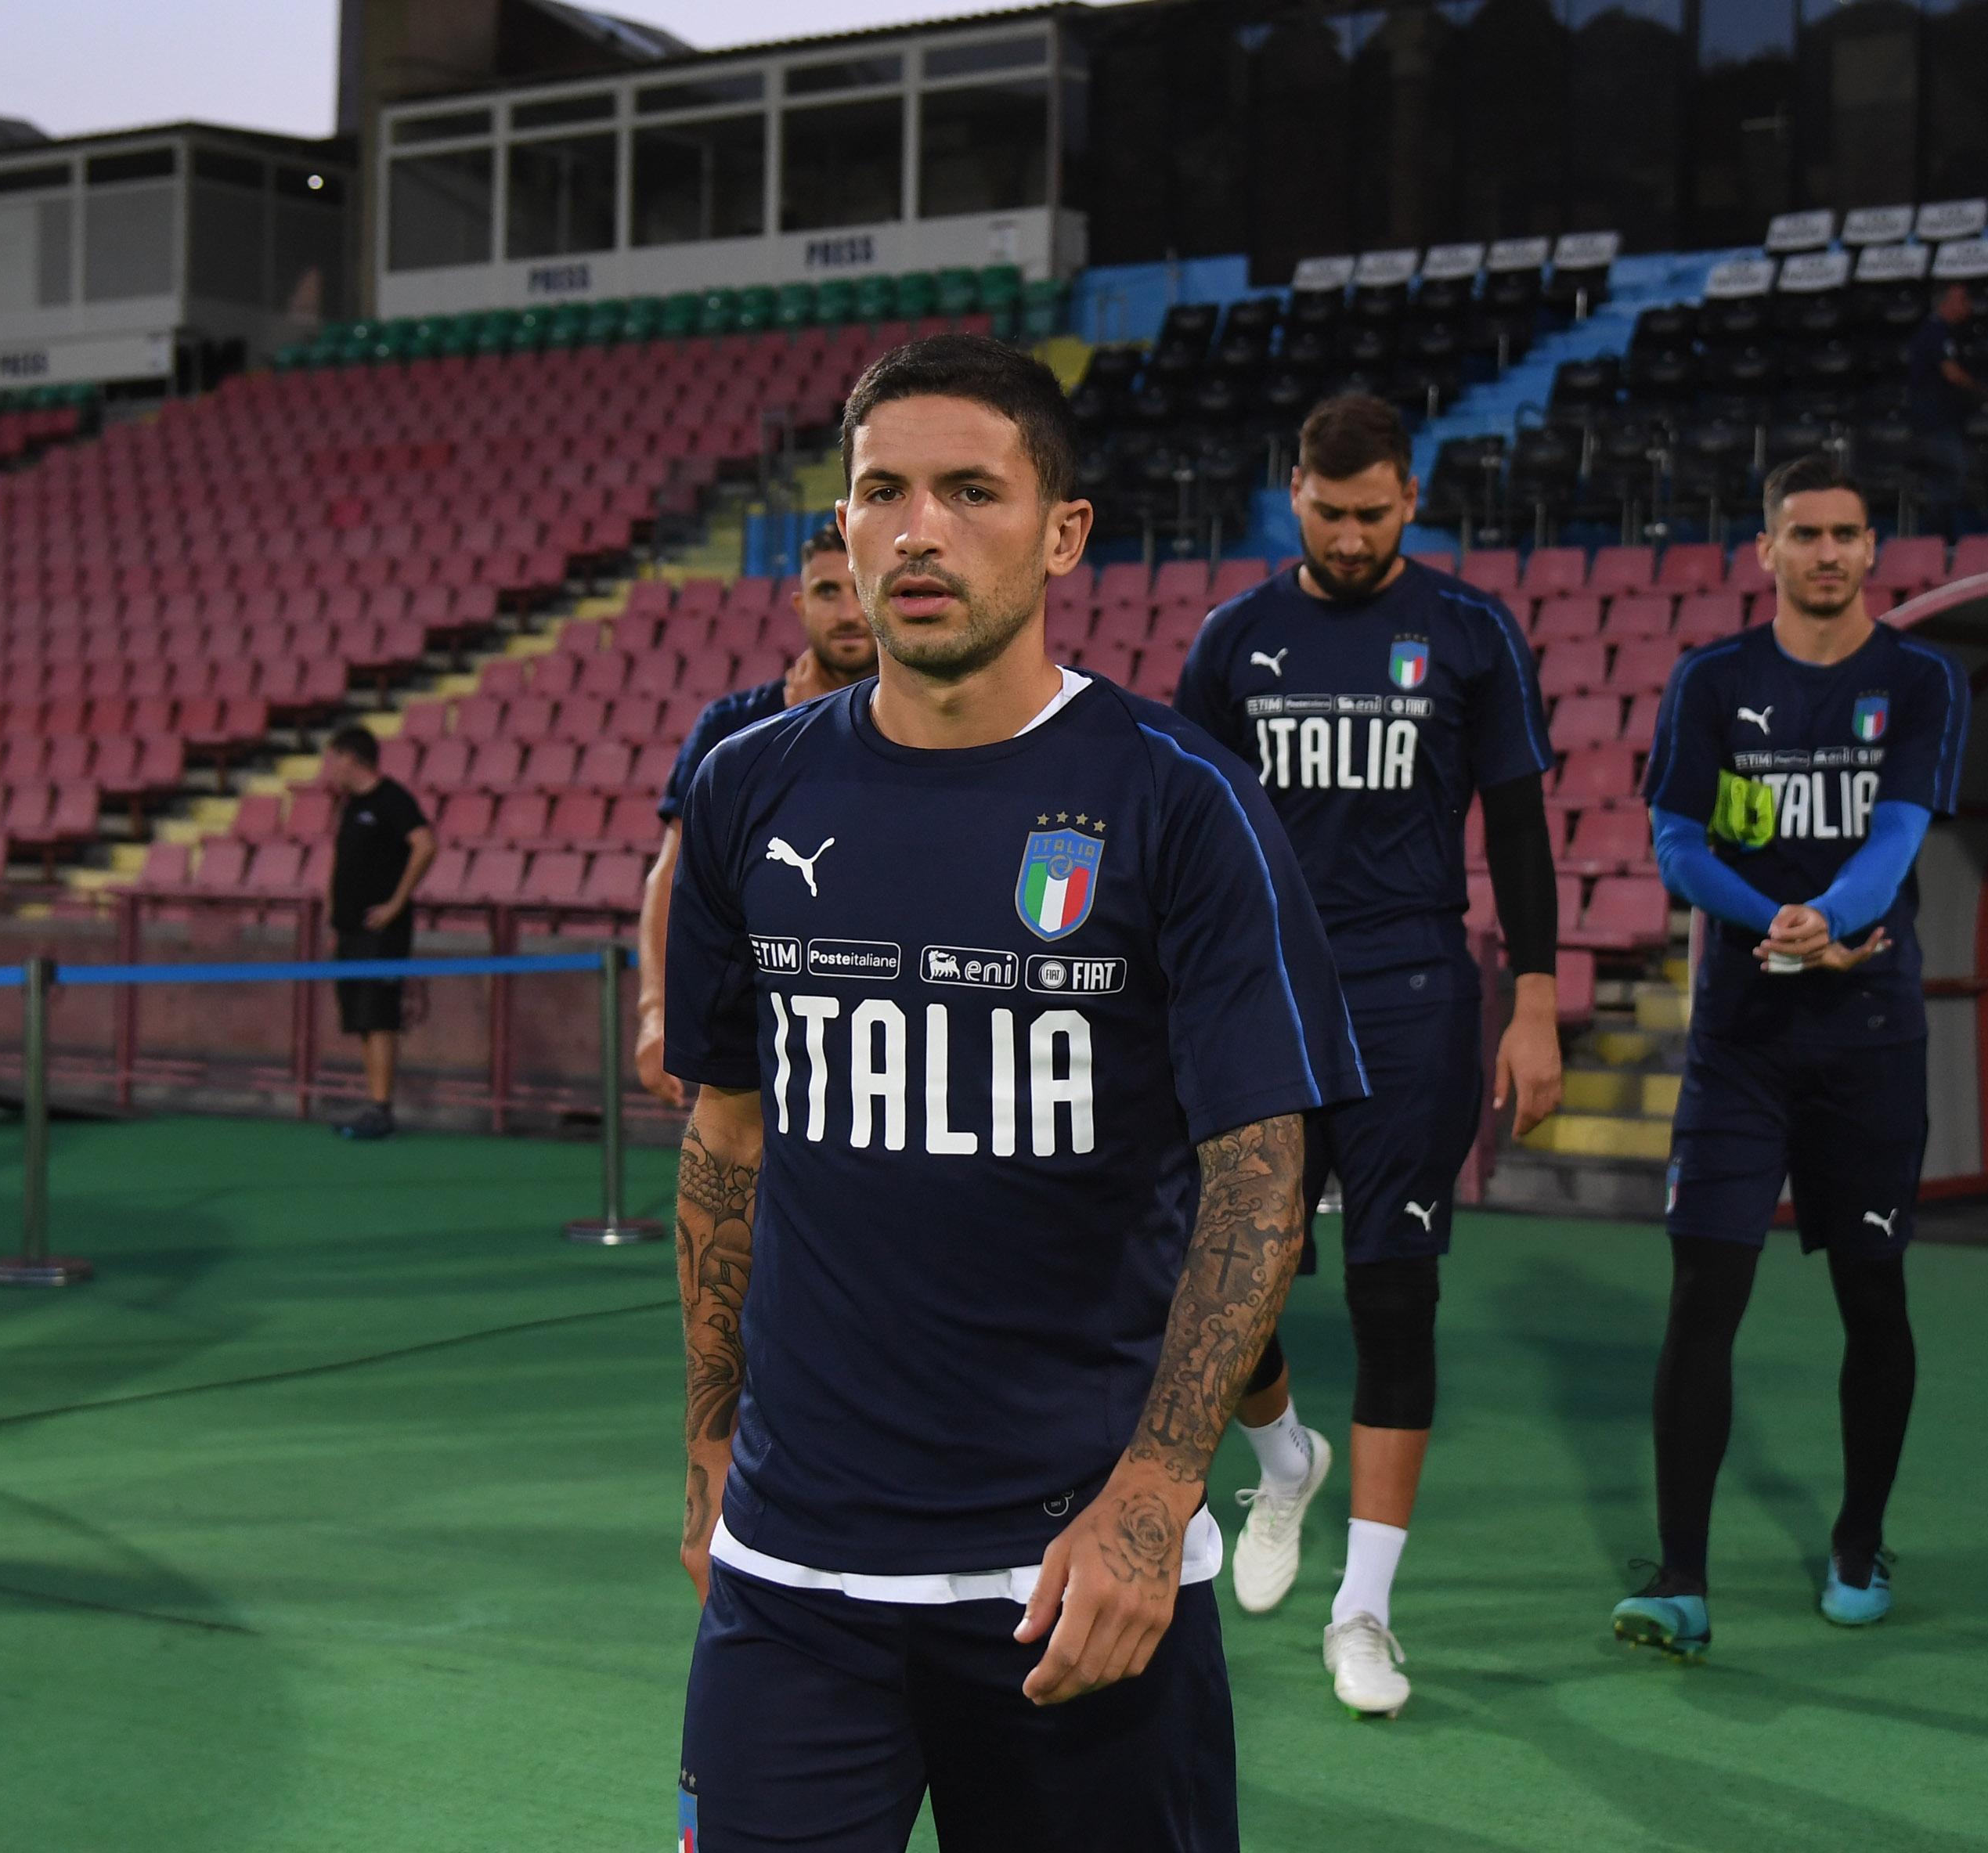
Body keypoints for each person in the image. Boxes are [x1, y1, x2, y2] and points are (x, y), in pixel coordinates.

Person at [664, 333, 1364, 1851]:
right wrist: (710, 1434)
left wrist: (1158, 1488)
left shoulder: (1180, 801)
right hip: (794, 1573)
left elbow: (1261, 1174)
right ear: (841, 527)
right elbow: (725, 1136)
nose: (919, 531)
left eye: (972, 491)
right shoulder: (744, 789)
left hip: (1078, 1578)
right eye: (883, 493)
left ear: (1062, 533)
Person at [1174, 391, 1564, 1718]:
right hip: (1263, 995)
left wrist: (1534, 999)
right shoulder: (1234, 640)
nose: (1350, 536)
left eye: (1374, 512)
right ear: (1294, 492)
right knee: (1234, 1273)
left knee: (1398, 1295)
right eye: (1329, 512)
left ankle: (1365, 1612)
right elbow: (1192, 833)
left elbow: (1519, 826)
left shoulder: (1469, 632)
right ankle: (1286, 1458)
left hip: (1413, 996)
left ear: (1412, 497)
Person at [1612, 454, 1971, 1660]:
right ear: (1764, 548)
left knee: (1873, 1291)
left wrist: (1831, 917)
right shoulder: (1713, 679)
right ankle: (1681, 1579)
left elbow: (1900, 832)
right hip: (1742, 1040)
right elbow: (1676, 843)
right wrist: (1778, 921)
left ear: (1874, 549)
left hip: (1868, 1039)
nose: (1827, 552)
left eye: (1847, 533)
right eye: (1805, 533)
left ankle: (1860, 1542)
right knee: (1703, 1292)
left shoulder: (1920, 679)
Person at [635, 523, 875, 1108]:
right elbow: (671, 878)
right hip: (758, 1041)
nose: (848, 612)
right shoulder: (732, 727)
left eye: (860, 588)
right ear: (799, 605)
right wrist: (656, 1010)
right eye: (827, 592)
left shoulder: (935, 729)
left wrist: (821, 734)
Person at [319, 724, 435, 1141]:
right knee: (361, 1019)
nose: (330, 768)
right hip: (351, 930)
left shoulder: (393, 799)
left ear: (352, 759)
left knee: (380, 1016)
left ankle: (382, 1108)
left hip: (382, 932)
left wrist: (396, 903)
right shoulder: (350, 806)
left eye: (334, 759)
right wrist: (334, 916)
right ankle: (373, 1103)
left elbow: (425, 844)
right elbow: (341, 863)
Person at [1906, 282, 1988, 535]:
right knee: (1948, 480)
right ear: (1946, 303)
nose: (1968, 305)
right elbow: (1952, 373)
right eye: (1962, 299)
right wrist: (1984, 392)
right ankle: (1939, 541)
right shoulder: (1935, 332)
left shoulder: (1952, 333)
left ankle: (1943, 540)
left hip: (1944, 421)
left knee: (1950, 482)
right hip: (1935, 422)